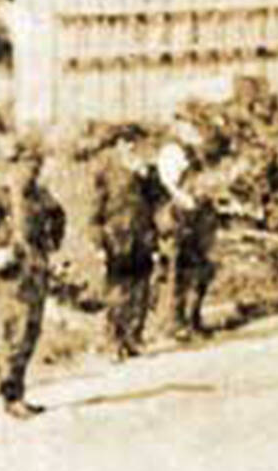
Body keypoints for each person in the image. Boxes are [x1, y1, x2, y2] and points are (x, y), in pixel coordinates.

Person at [0, 136, 65, 420]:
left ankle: (19, 392)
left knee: (31, 331)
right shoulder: (0, 194)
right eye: (29, 163)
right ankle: (11, 397)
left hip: (35, 266)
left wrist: (51, 244)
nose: (34, 168)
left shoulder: (38, 193)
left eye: (37, 163)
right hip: (13, 271)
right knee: (17, 330)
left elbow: (59, 215)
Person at [90, 126, 165, 359]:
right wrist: (97, 242)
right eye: (126, 141)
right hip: (116, 238)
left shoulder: (145, 169)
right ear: (118, 145)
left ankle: (134, 338)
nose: (131, 146)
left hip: (142, 236)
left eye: (134, 141)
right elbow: (95, 209)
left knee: (141, 287)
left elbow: (158, 200)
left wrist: (147, 176)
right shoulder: (105, 171)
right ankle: (114, 341)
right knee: (118, 290)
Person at [164, 121, 225, 339]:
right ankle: (178, 323)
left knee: (203, 269)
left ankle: (194, 318)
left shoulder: (193, 153)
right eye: (188, 128)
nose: (193, 132)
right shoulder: (171, 151)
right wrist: (186, 200)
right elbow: (169, 185)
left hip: (199, 215)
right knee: (184, 270)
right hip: (182, 216)